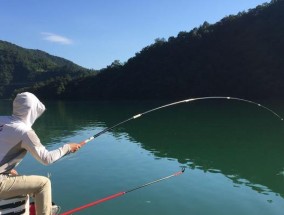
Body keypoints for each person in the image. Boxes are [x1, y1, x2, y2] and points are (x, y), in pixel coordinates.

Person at [0, 92, 82, 215]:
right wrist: (67, 148)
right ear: (32, 111)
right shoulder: (25, 132)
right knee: (43, 184)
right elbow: (46, 159)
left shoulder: (2, 120)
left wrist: (6, 169)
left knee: (18, 177)